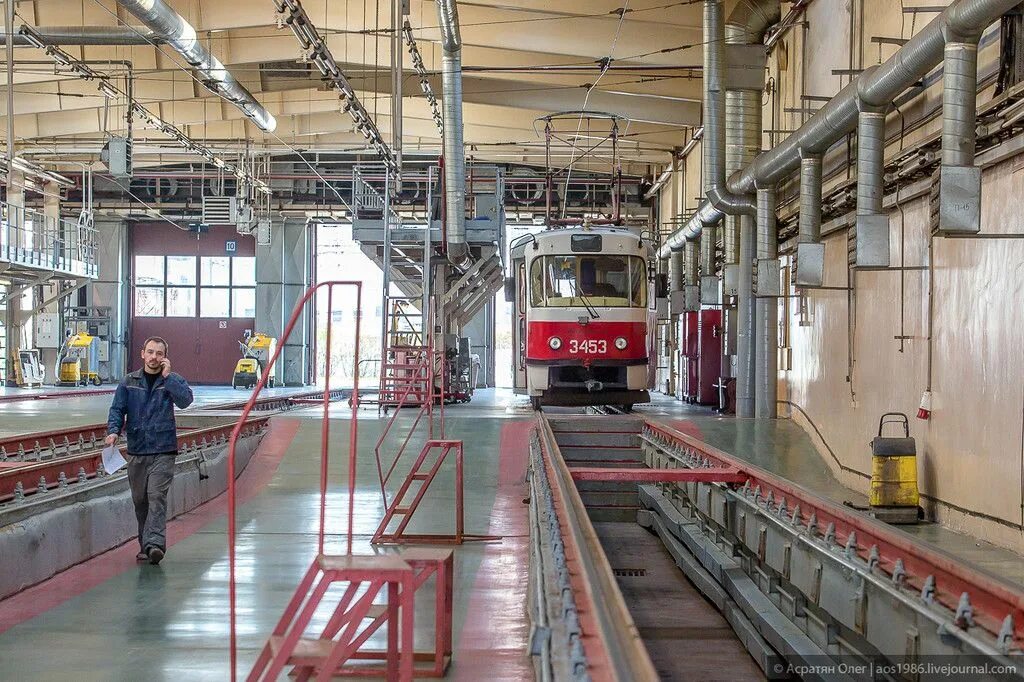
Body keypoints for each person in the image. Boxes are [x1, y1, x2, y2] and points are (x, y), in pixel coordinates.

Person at [105, 336, 194, 565]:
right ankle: (145, 545)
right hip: (137, 450)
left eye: (159, 353)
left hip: (163, 449)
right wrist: (113, 431)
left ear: (165, 357)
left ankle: (155, 544)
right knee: (140, 500)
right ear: (142, 353)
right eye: (151, 352)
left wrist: (169, 377)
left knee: (156, 496)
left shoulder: (171, 380)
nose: (154, 357)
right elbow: (117, 409)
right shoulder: (128, 382)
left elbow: (185, 401)